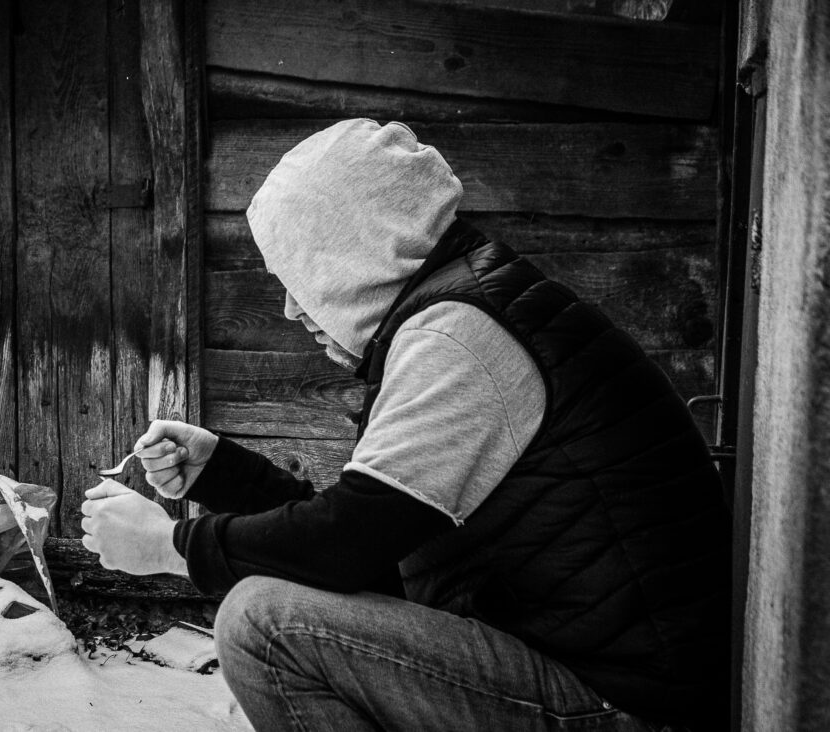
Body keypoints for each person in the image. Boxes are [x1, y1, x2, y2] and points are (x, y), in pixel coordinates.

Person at [80, 119, 731, 731]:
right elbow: (379, 554)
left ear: (357, 247)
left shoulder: (458, 339)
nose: (289, 308)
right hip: (597, 676)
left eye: (298, 272)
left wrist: (169, 547)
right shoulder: (463, 312)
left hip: (628, 706)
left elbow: (345, 547)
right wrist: (223, 472)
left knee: (262, 625)